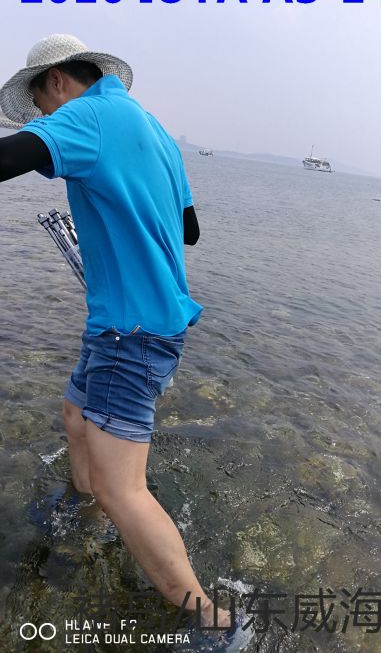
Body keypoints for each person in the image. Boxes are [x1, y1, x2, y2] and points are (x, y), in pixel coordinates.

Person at [0, 34, 232, 633]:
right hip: (136, 323)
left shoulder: (87, 115)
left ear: (56, 81)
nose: (44, 117)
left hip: (131, 331)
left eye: (40, 104)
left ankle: (213, 623)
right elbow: (189, 230)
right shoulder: (153, 129)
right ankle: (89, 517)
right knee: (75, 414)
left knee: (122, 487)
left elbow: (7, 158)